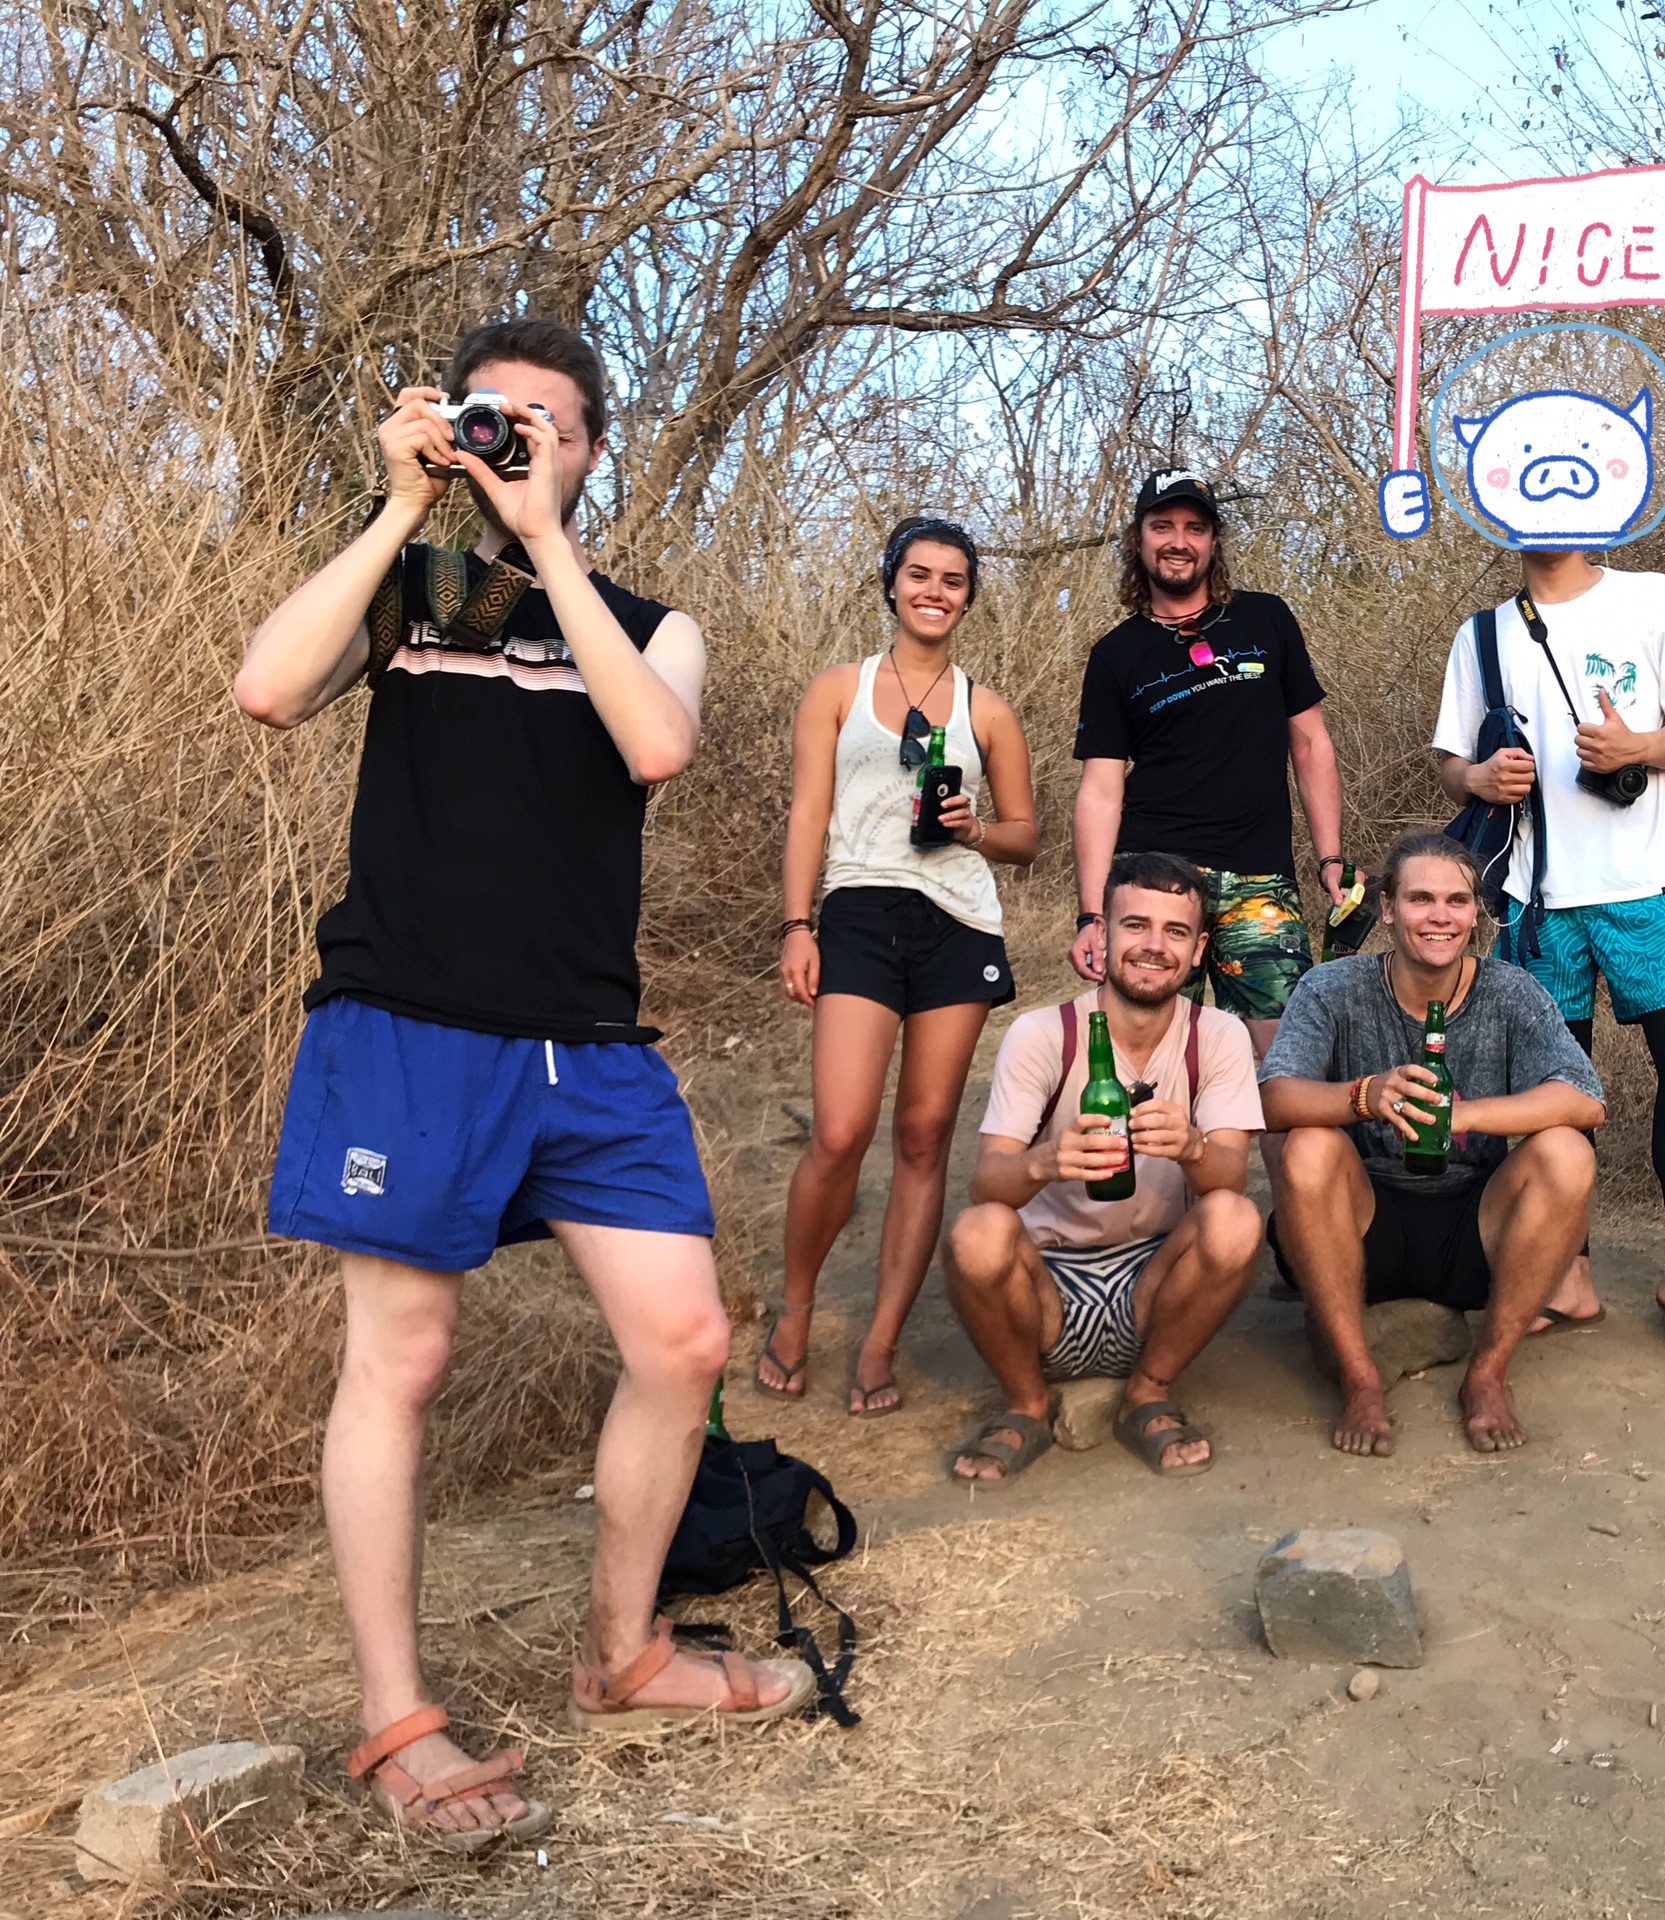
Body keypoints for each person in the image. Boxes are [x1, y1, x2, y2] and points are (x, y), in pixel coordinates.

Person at [236, 318, 806, 1847]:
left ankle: (622, 1655)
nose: (515, 442)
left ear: (591, 447)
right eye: (494, 417)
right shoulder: (409, 586)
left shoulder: (645, 618)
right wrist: (398, 507)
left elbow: (656, 744)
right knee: (402, 1360)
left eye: (547, 425)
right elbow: (269, 689)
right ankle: (395, 1718)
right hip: (408, 1022)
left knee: (684, 1338)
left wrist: (548, 545)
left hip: (587, 1044)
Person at [764, 517, 1039, 1412]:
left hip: (956, 919)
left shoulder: (985, 709)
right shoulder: (837, 690)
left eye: (954, 580)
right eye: (919, 574)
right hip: (857, 909)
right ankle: (796, 1306)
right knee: (841, 1130)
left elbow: (1024, 837)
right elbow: (809, 813)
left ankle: (880, 1341)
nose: (935, 591)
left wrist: (978, 830)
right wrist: (797, 924)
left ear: (969, 595)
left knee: (924, 1136)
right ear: (890, 583)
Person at [1432, 545, 1665, 1363]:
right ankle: (1570, 1276)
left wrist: (1637, 748)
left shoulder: (1652, 597)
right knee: (1556, 1090)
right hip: (1536, 899)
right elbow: (1451, 759)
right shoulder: (1483, 635)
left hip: (1650, 884)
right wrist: (1479, 778)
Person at [1261, 832, 1605, 1457]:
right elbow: (1273, 1098)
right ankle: (1360, 1377)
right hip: (1363, 1220)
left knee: (1567, 1151)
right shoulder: (1333, 987)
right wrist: (1366, 1096)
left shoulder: (1511, 989)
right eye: (1421, 899)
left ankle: (1488, 1373)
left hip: (1473, 1229)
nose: (1440, 916)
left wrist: (1465, 1112)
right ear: (1388, 908)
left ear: (1477, 914)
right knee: (1309, 1145)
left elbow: (1584, 1099)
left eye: (1457, 900)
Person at [1068, 469, 1355, 1179]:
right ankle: (1159, 1240)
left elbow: (1311, 743)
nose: (1178, 541)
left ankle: (1301, 1234)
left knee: (1288, 1062)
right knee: (1153, 1064)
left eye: (1194, 528)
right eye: (1163, 526)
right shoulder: (1116, 655)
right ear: (1139, 541)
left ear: (1214, 541)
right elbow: (1101, 789)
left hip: (1260, 880)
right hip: (1156, 887)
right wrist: (1091, 912)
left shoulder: (1266, 620)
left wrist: (1330, 858)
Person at [944, 852, 1266, 1481]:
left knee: (1235, 1218)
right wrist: (1044, 1163)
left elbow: (1228, 1180)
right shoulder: (1043, 1034)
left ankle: (1149, 1391)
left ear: (1199, 950)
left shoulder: (1219, 1035)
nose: (1154, 947)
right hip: (1044, 1287)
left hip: (1153, 1284)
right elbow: (987, 1184)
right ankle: (1027, 1403)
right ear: (1102, 934)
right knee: (975, 1232)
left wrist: (1195, 1147)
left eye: (1175, 932)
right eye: (1135, 926)